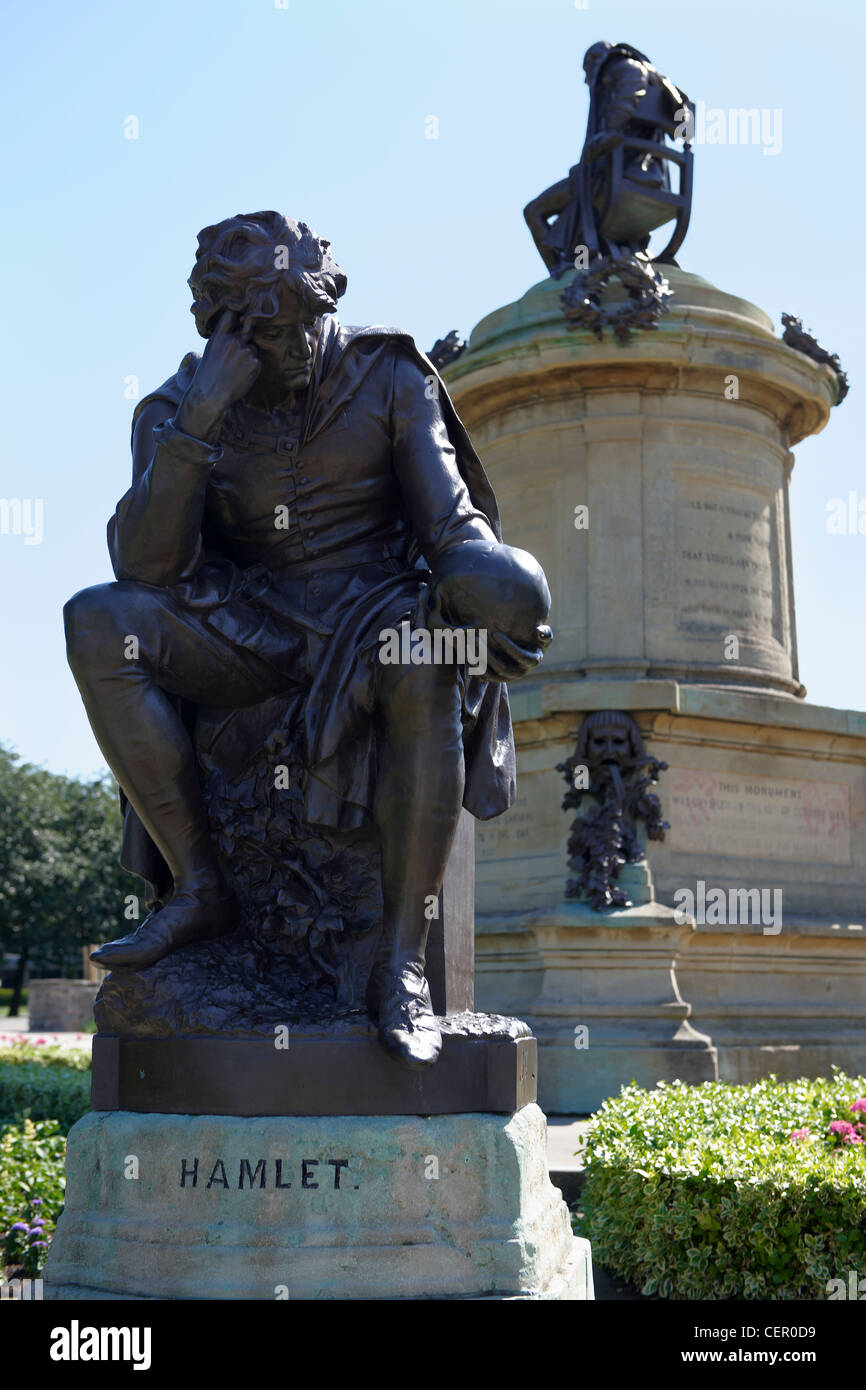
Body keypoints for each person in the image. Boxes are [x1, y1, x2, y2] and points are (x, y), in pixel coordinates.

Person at [64, 212, 551, 1068]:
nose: (294, 344)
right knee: (98, 621)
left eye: (302, 321)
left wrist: (495, 583)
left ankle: (401, 963)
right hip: (243, 632)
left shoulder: (387, 373)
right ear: (223, 330)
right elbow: (147, 567)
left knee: (422, 651)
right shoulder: (179, 406)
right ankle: (201, 888)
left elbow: (447, 526)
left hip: (370, 621)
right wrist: (203, 420)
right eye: (263, 331)